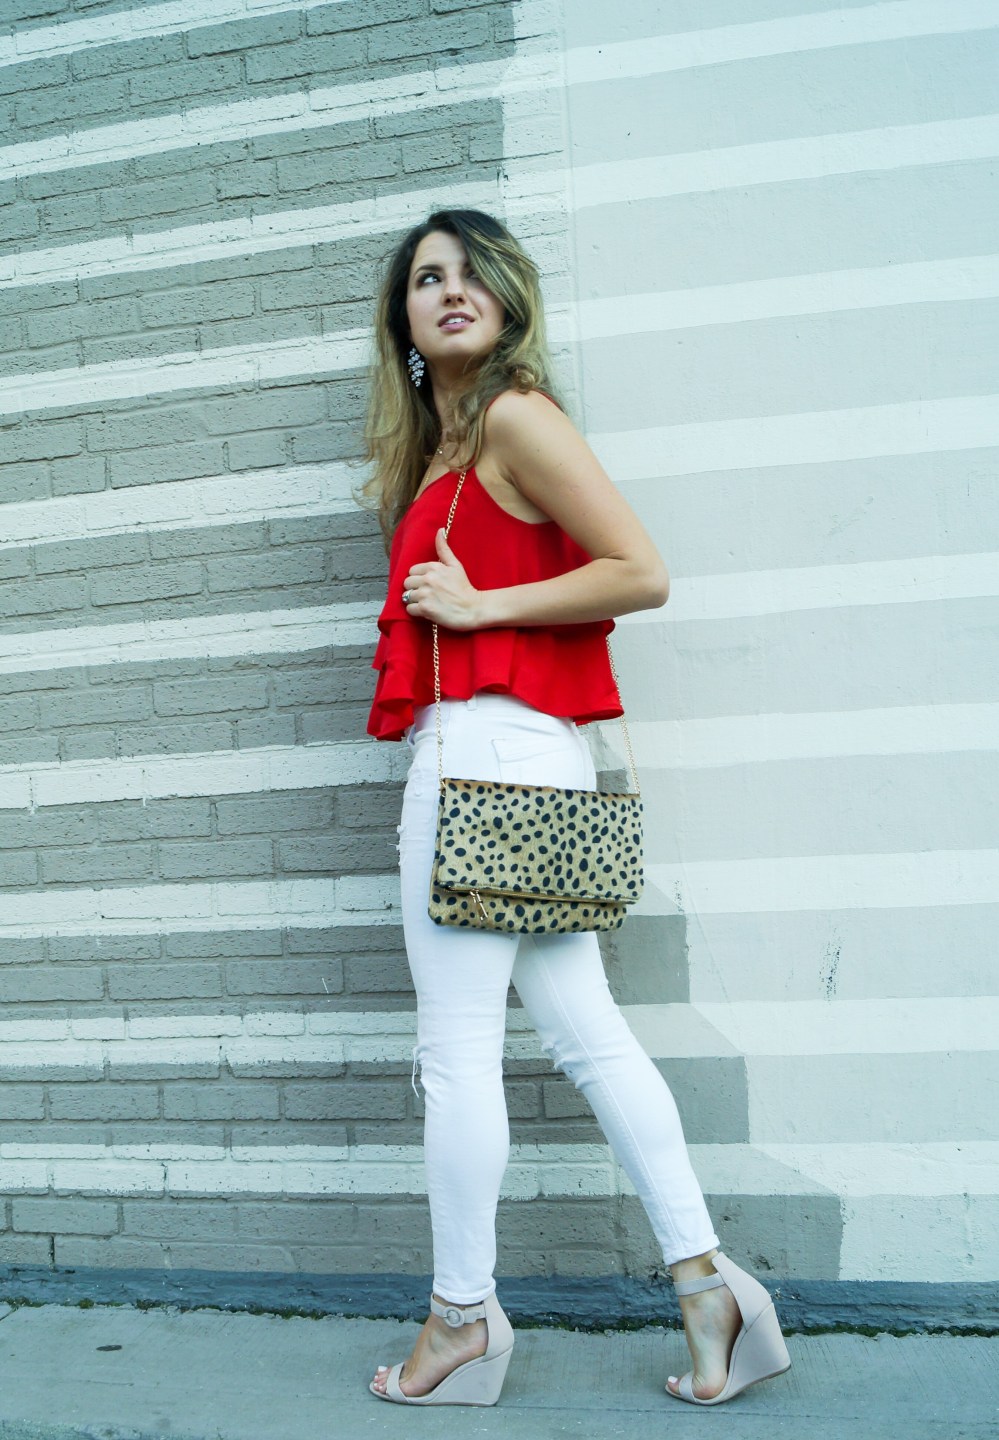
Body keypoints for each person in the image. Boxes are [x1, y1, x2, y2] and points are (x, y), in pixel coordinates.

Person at [361, 208, 791, 1408]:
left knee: (457, 1054)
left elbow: (639, 570)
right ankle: (709, 1287)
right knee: (588, 1032)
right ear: (402, 322)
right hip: (535, 764)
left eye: (468, 274)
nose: (448, 291)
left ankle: (459, 1323)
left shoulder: (511, 417)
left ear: (506, 296)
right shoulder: (445, 457)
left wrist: (484, 607)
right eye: (423, 279)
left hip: (481, 758)